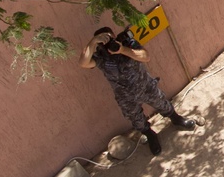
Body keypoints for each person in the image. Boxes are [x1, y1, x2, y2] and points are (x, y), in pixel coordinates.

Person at [79, 26, 196, 155]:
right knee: (137, 119)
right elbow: (83, 63)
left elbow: (145, 56)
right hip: (125, 97)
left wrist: (122, 50)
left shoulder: (128, 43)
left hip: (145, 87)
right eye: (103, 41)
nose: (108, 43)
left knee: (162, 103)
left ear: (114, 35)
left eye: (109, 38)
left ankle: (176, 119)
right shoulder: (100, 58)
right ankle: (150, 135)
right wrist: (93, 41)